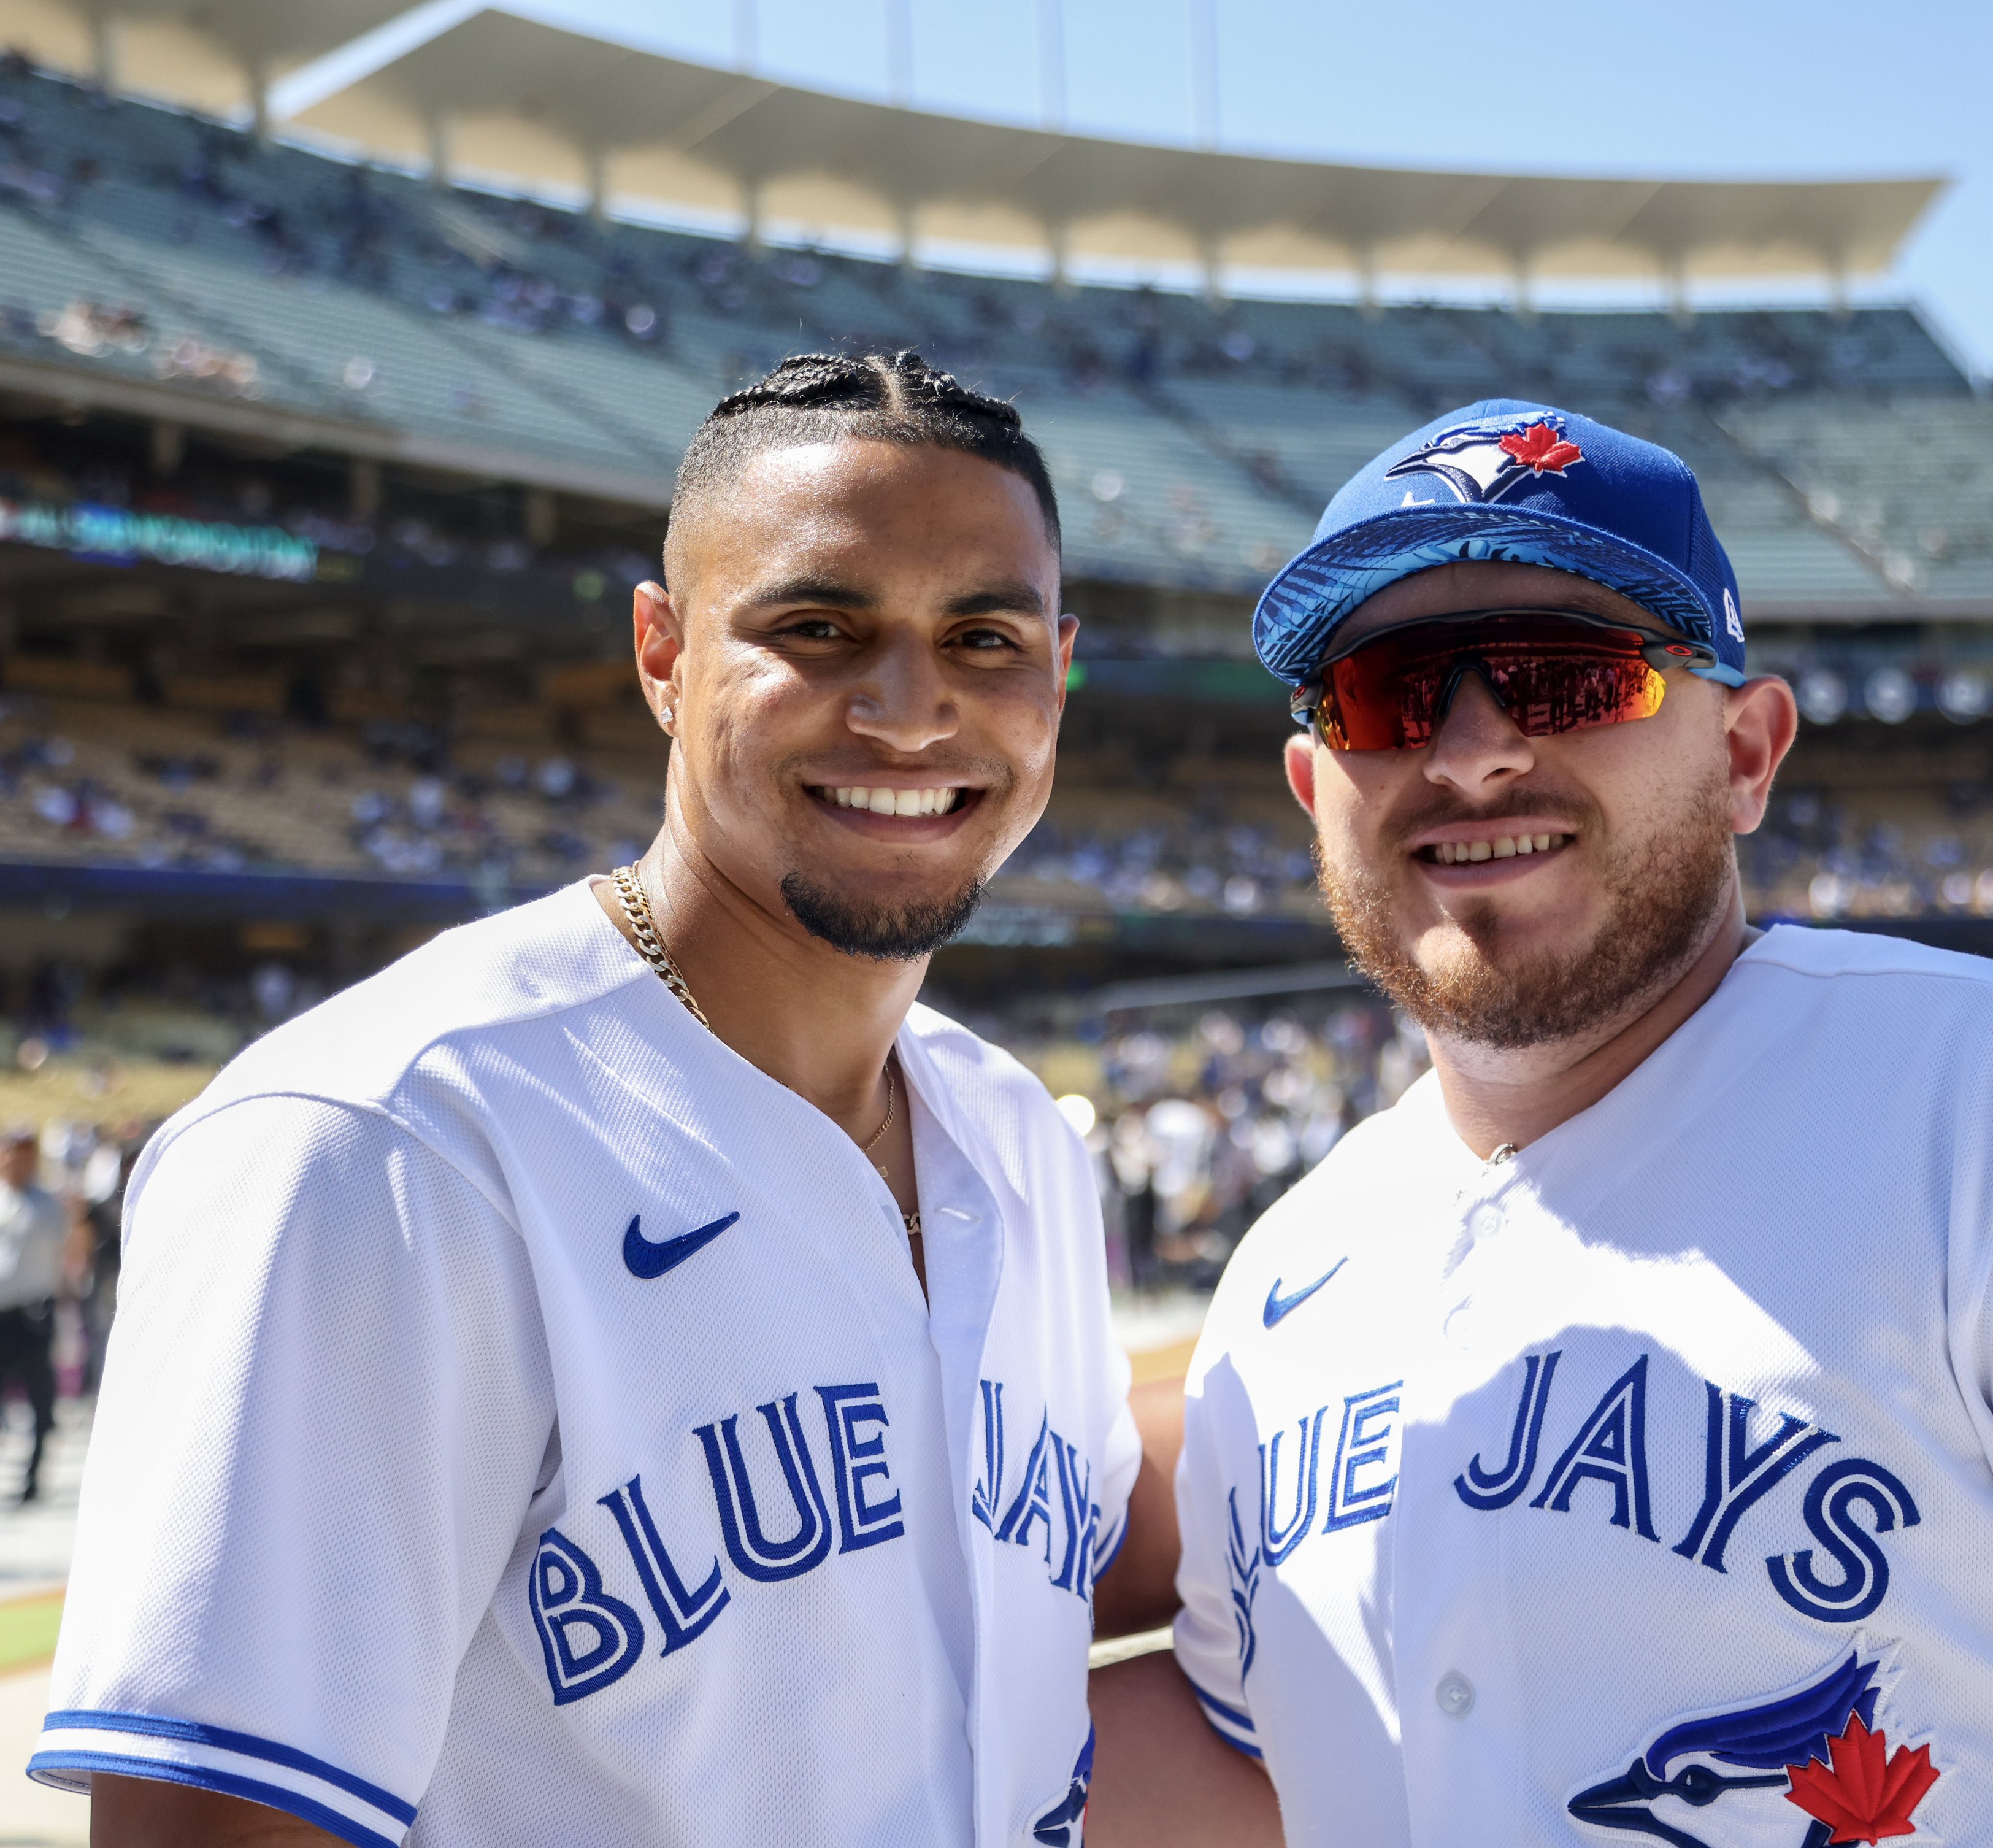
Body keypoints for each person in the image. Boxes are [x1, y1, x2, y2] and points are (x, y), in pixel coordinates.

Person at [1088, 401, 1993, 1847]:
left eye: (1565, 679)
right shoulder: (1290, 1266)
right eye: (1385, 696)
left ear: (1748, 753)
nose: (1468, 752)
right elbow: (1278, 1765)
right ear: (1313, 784)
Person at [41, 351, 1177, 1846]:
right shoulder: (386, 1141)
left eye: (983, 637)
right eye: (818, 628)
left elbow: (1077, 1588)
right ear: (664, 652)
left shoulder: (1016, 1132)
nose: (911, 713)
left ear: (1059, 669)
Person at [0, 1128, 68, 1504]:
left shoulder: (47, 1204)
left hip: (32, 1314)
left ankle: (33, 1479)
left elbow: (67, 1253)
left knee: (40, 1401)